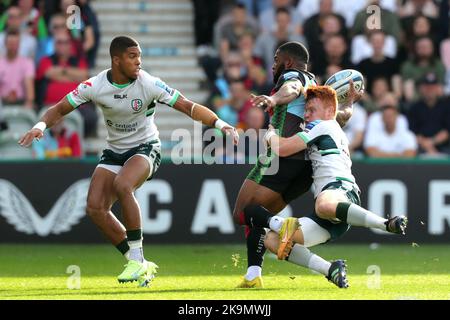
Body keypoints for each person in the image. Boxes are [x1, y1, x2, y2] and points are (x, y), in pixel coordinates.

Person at [18, 35, 239, 287]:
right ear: (116, 60)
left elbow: (188, 106)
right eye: (133, 57)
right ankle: (138, 262)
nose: (139, 62)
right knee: (94, 208)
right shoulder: (94, 85)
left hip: (146, 148)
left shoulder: (149, 84)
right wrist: (39, 126)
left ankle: (136, 257)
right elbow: (59, 109)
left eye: (140, 56)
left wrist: (221, 124)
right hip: (114, 151)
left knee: (124, 185)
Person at [232, 41, 359, 288]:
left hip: (283, 157)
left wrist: (272, 98)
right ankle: (253, 275)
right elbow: (339, 118)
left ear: (288, 62)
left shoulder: (293, 76)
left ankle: (278, 229)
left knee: (243, 212)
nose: (273, 64)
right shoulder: (319, 89)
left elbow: (291, 88)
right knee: (259, 216)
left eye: (277, 58)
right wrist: (350, 104)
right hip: (306, 168)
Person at [261, 86, 408, 288]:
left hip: (339, 190)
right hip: (330, 214)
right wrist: (349, 102)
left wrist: (269, 135)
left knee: (323, 204)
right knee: (273, 240)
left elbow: (283, 148)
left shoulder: (322, 125)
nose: (306, 114)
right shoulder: (331, 123)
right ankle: (330, 269)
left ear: (329, 112)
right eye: (306, 110)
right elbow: (344, 113)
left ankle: (386, 224)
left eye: (311, 109)